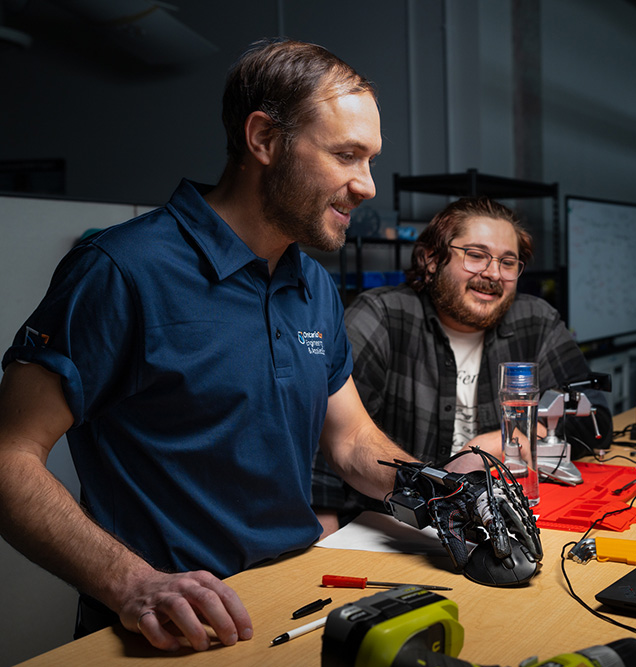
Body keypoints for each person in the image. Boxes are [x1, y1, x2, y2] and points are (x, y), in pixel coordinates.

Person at [0, 38, 446, 653]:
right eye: (346, 155)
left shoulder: (310, 281)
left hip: (293, 598)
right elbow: (9, 455)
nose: (367, 186)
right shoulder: (120, 270)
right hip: (167, 625)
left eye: (370, 159)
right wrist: (133, 583)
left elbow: (350, 441)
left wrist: (441, 490)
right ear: (263, 140)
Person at [312, 197, 613, 531]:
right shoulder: (382, 317)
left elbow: (596, 419)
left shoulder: (536, 321)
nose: (493, 274)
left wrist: (507, 438)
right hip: (391, 529)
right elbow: (323, 439)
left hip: (498, 522)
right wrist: (323, 540)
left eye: (508, 262)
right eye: (476, 255)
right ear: (430, 259)